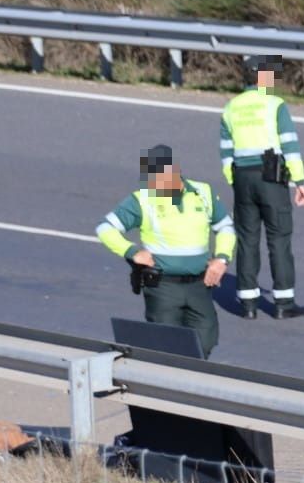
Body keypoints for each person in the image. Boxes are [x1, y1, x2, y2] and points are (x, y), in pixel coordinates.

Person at [96, 144, 235, 358]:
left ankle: (190, 381)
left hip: (200, 284)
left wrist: (222, 260)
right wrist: (132, 251)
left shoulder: (203, 193)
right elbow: (105, 228)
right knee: (168, 347)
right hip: (163, 287)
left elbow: (225, 227)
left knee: (206, 338)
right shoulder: (143, 199)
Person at [221, 55, 304, 319]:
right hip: (271, 177)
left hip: (242, 178)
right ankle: (284, 303)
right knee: (279, 239)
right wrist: (300, 181)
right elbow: (290, 144)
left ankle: (248, 303)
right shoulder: (275, 105)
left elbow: (225, 151)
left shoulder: (231, 107)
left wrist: (234, 180)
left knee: (247, 239)